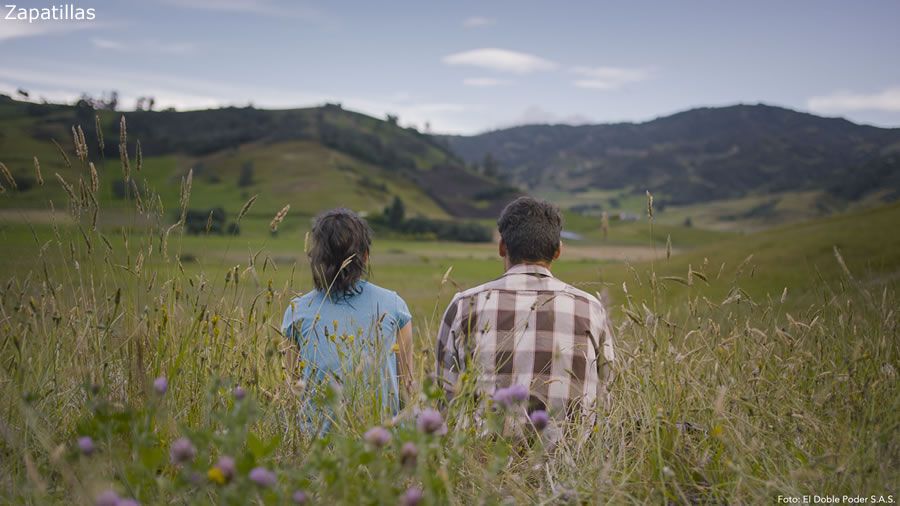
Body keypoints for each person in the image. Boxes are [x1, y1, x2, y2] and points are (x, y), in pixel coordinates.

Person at [435, 196, 615, 436]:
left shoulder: (464, 305)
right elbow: (606, 397)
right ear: (558, 251)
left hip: (481, 465)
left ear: (502, 247)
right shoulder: (591, 308)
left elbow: (445, 400)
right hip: (570, 465)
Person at [281, 208, 413, 422]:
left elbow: (293, 389)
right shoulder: (395, 306)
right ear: (366, 257)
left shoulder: (296, 312)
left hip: (315, 445)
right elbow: (406, 390)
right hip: (382, 440)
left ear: (316, 258)